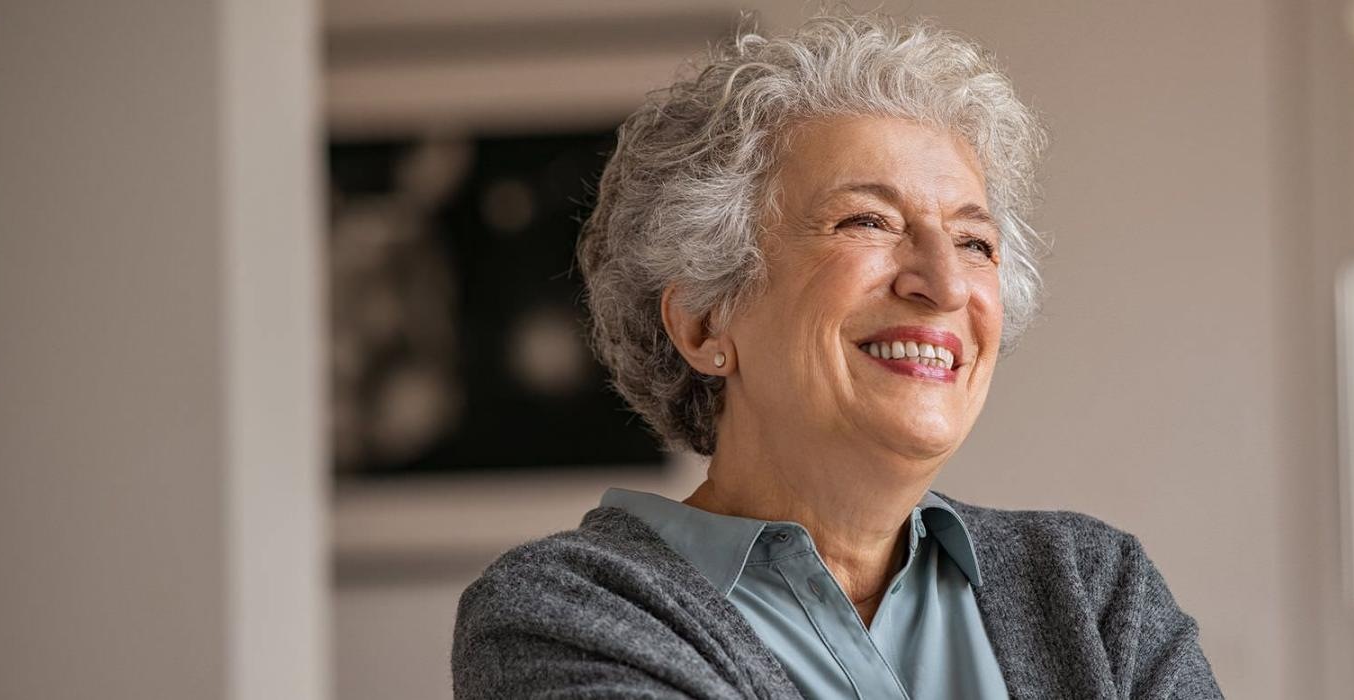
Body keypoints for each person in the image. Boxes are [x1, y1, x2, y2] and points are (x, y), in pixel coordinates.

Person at [452, 13, 1222, 699]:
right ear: (703, 322)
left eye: (974, 241)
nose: (945, 283)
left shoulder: (1091, 591)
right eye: (868, 222)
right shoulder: (560, 614)